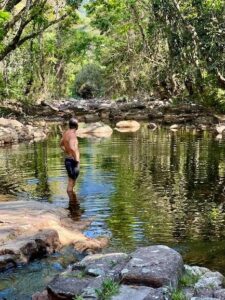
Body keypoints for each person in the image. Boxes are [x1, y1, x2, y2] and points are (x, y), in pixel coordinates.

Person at [60, 118, 80, 193]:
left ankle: (72, 202)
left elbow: (61, 145)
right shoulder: (72, 135)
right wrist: (76, 159)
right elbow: (72, 147)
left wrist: (67, 152)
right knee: (72, 182)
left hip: (68, 160)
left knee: (71, 181)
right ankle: (72, 203)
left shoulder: (66, 133)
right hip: (73, 161)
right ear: (76, 126)